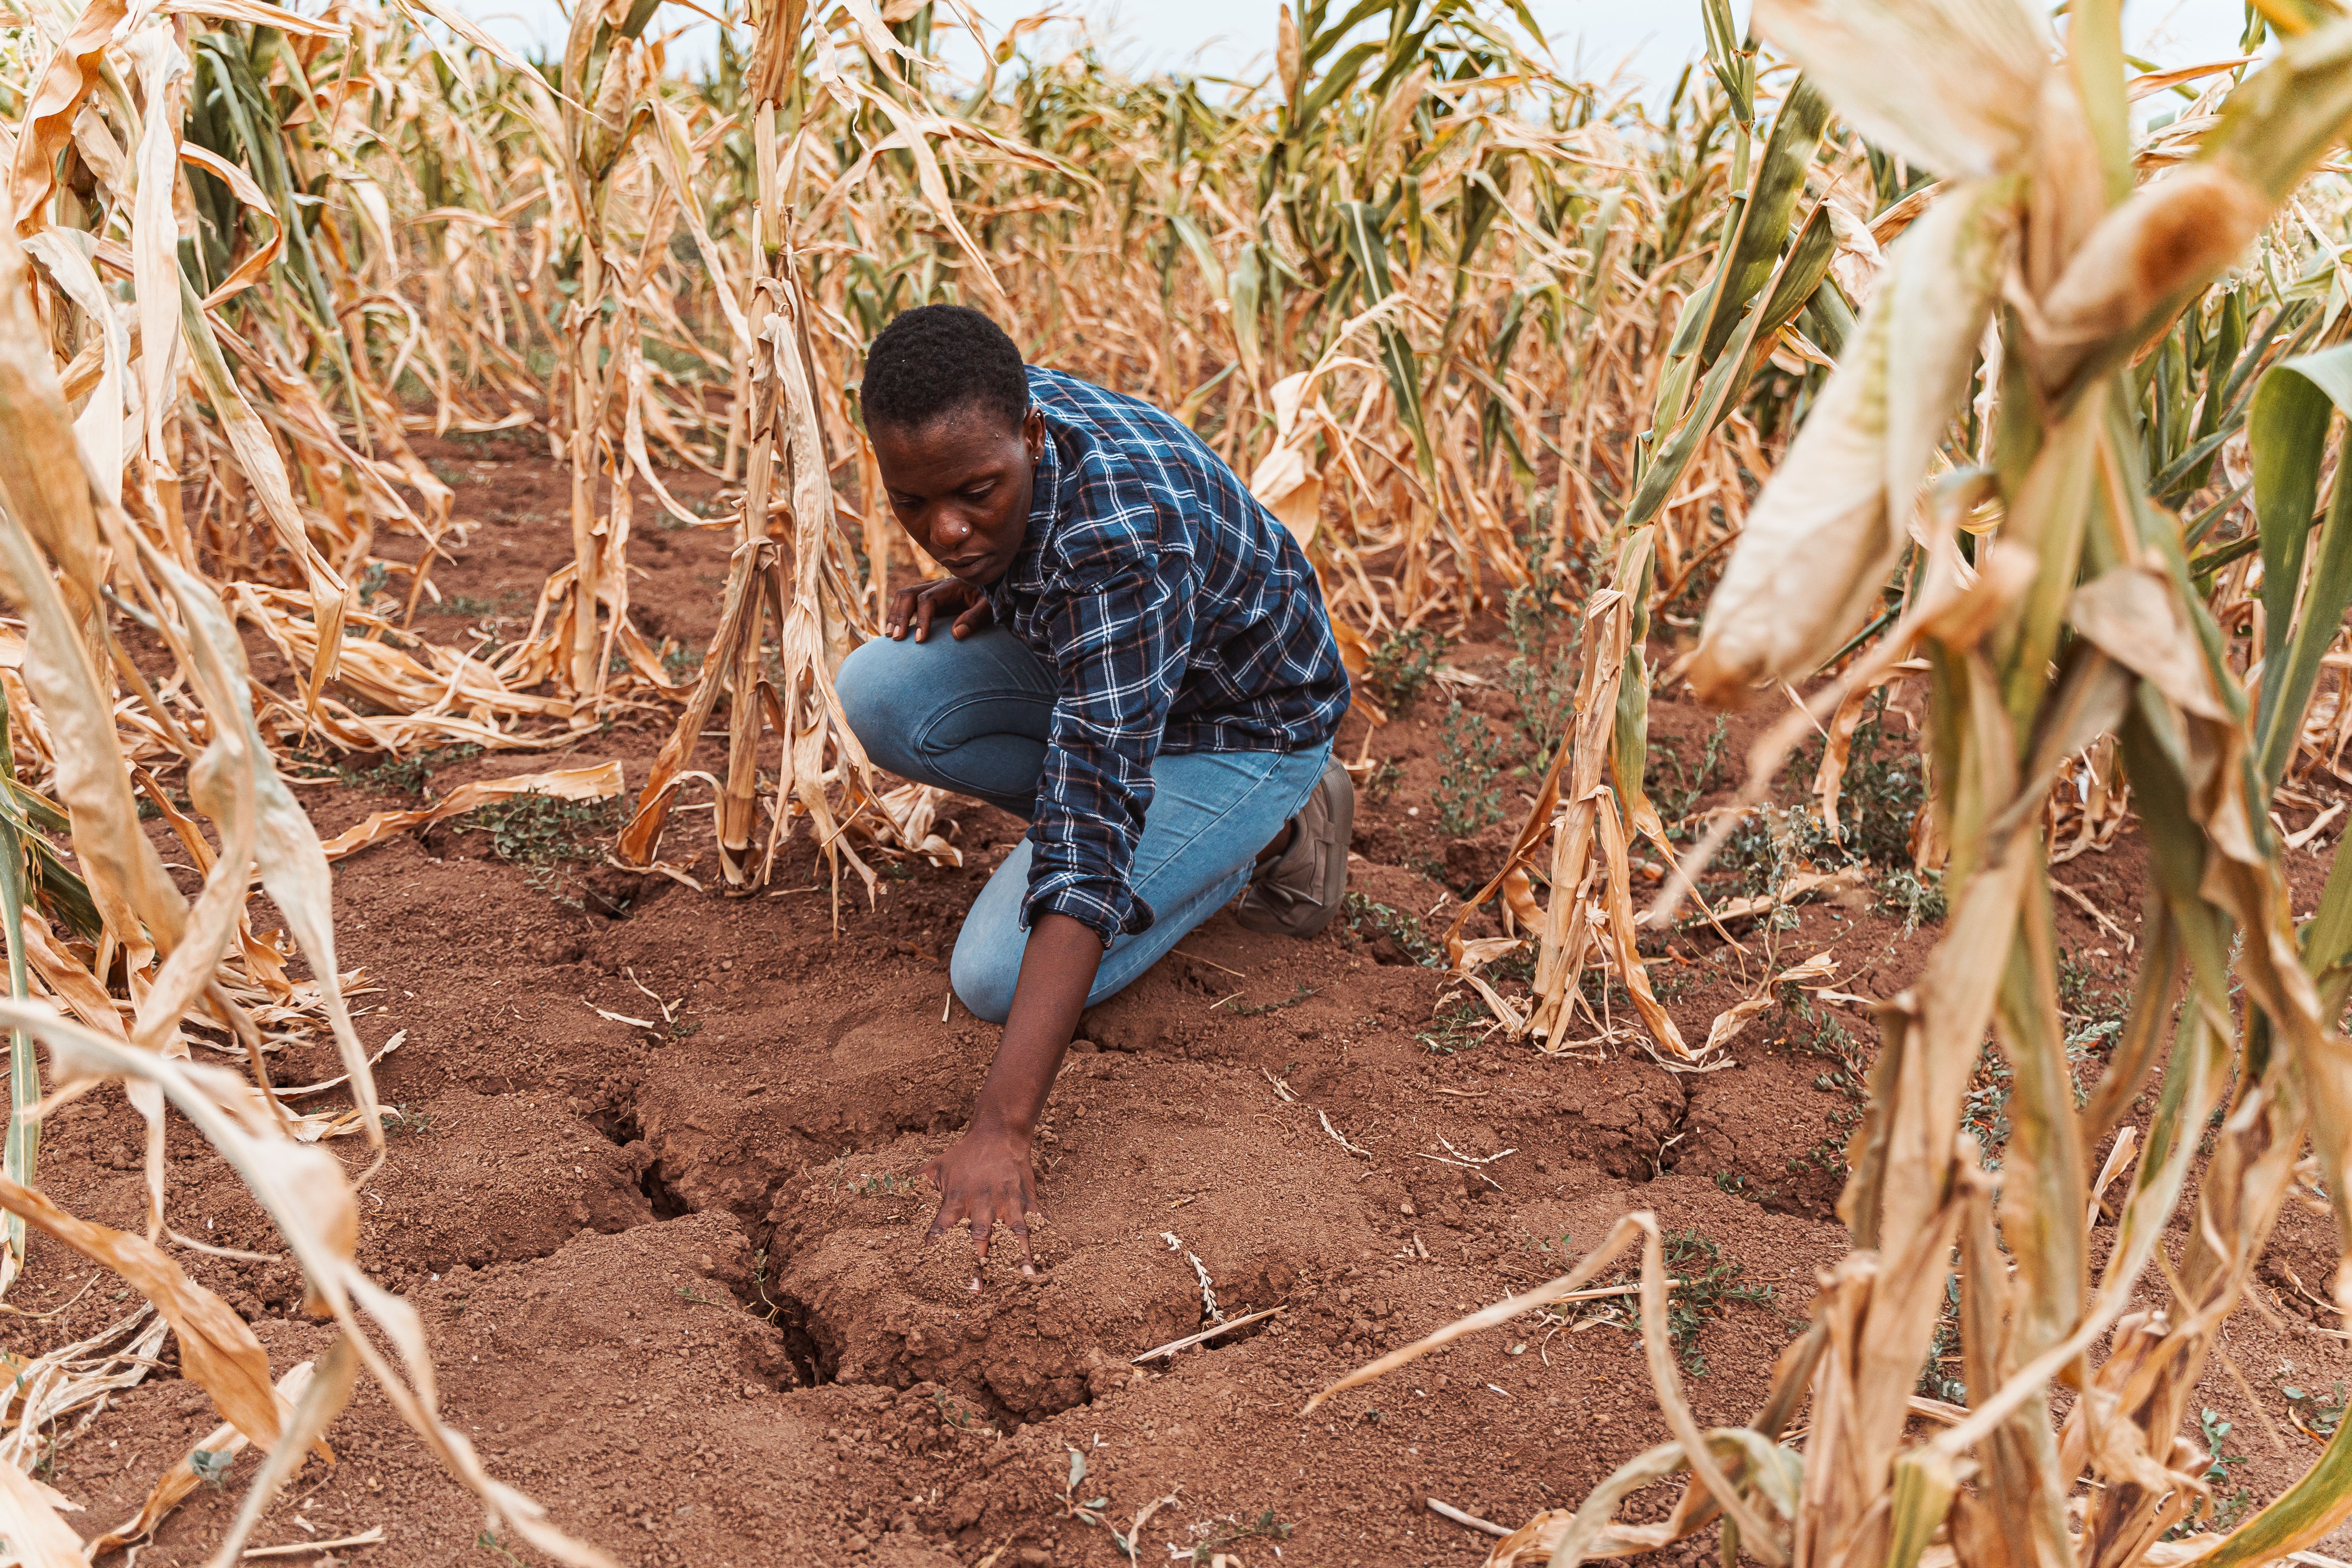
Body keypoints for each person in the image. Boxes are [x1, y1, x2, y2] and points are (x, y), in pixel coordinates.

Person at [834, 304, 1355, 1281]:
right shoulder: (996, 415)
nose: (945, 532)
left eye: (977, 496)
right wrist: (999, 566)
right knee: (880, 691)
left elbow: (1088, 826)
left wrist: (1002, 1127)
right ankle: (1179, 831)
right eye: (914, 504)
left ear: (1031, 435)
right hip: (1143, 678)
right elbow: (1024, 543)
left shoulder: (1119, 540)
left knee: (993, 976)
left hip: (1244, 728)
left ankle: (1275, 824)